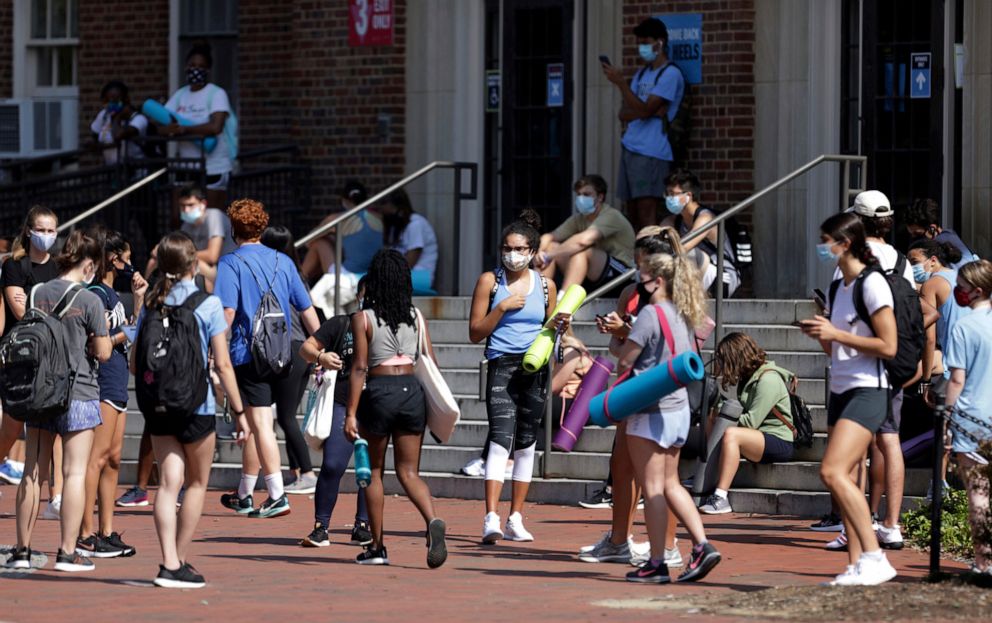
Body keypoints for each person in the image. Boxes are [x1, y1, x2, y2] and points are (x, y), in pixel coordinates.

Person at [135, 232, 245, 589]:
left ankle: (166, 559)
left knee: (168, 484)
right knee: (196, 483)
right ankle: (178, 561)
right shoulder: (208, 304)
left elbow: (137, 364)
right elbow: (224, 364)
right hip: (198, 405)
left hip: (159, 404)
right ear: (193, 265)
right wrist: (240, 412)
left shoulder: (151, 303)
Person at [614, 229, 721, 584]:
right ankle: (702, 544)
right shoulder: (683, 312)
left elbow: (625, 361)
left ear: (657, 279)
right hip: (677, 409)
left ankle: (657, 562)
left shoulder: (650, 314)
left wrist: (616, 339)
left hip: (649, 410)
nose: (638, 279)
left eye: (643, 275)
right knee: (672, 484)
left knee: (653, 488)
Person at [799, 212, 899, 585]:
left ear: (845, 243)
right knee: (847, 480)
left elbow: (889, 345)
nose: (822, 248)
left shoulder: (873, 285)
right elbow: (838, 349)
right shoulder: (840, 286)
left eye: (827, 241)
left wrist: (836, 335)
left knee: (832, 471)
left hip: (868, 390)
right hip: (841, 388)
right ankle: (857, 564)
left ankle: (875, 556)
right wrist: (823, 334)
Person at [6, 230, 112, 572]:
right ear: (90, 265)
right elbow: (103, 351)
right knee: (74, 473)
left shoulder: (37, 292)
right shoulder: (91, 300)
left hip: (40, 390)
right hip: (79, 391)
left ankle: (22, 549)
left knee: (32, 473)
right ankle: (67, 552)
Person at [577, 229, 680, 567]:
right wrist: (617, 331)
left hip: (663, 391)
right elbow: (618, 350)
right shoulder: (631, 293)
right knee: (621, 468)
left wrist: (628, 333)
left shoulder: (677, 299)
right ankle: (619, 540)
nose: (639, 272)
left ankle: (667, 546)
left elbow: (680, 346)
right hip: (631, 387)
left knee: (662, 477)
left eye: (643, 264)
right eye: (636, 264)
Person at [215, 199, 321, 519]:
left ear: (234, 230)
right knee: (257, 423)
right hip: (283, 352)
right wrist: (320, 347)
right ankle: (245, 493)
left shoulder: (230, 263)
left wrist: (214, 348)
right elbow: (306, 310)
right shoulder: (284, 262)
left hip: (248, 354)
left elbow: (228, 312)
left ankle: (276, 494)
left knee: (260, 423)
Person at [344, 249, 447, 568]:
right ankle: (431, 520)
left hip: (379, 391)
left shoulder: (362, 318)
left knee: (374, 472)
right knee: (409, 471)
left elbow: (360, 367)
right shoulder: (416, 316)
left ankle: (377, 547)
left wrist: (350, 412)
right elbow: (430, 361)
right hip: (412, 392)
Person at [469, 213, 567, 545]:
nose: (513, 254)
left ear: (532, 250)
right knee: (499, 440)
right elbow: (474, 332)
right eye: (508, 248)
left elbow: (551, 330)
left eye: (521, 248)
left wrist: (559, 329)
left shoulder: (546, 285)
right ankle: (491, 517)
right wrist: (502, 308)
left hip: (536, 368)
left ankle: (516, 517)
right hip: (501, 364)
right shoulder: (489, 282)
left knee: (527, 443)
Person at [76, 227, 148, 559]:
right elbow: (98, 340)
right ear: (113, 257)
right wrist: (126, 333)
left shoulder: (112, 293)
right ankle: (85, 532)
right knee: (97, 458)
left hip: (118, 381)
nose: (131, 264)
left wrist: (139, 301)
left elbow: (125, 328)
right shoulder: (94, 292)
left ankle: (107, 530)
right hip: (101, 380)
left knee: (115, 458)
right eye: (127, 257)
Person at [298, 277, 372, 547]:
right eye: (366, 294)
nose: (370, 301)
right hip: (341, 402)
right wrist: (321, 357)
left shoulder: (387, 328)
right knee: (332, 465)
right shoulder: (342, 324)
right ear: (358, 295)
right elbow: (306, 347)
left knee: (369, 469)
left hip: (374, 405)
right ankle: (321, 526)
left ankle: (363, 524)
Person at [1, 205, 63, 520]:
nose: (47, 236)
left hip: (51, 358)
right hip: (20, 358)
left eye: (52, 230)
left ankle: (56, 496)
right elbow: (20, 313)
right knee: (11, 428)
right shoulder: (15, 266)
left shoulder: (60, 268)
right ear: (29, 230)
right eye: (41, 229)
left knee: (53, 427)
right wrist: (47, 311)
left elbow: (62, 311)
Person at [602, 17, 685, 231]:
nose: (643, 47)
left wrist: (622, 84)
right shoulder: (641, 74)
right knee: (631, 212)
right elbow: (625, 112)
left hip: (652, 152)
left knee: (647, 212)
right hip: (630, 146)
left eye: (646, 42)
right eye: (640, 42)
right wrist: (643, 110)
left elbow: (645, 109)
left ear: (660, 42)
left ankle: (650, 260)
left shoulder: (670, 73)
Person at [698, 333, 795, 514]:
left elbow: (750, 422)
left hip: (778, 441)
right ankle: (705, 473)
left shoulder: (768, 380)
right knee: (712, 416)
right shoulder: (749, 378)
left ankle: (720, 497)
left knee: (731, 434)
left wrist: (723, 412)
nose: (722, 364)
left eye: (724, 359)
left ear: (736, 357)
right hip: (759, 437)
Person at [260, 226, 318, 494]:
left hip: (288, 348)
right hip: (303, 348)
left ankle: (307, 472)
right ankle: (297, 472)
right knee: (288, 415)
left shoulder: (274, 274)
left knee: (285, 416)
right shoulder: (297, 274)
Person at [943, 259, 992, 575]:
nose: (956, 293)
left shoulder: (964, 327)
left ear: (975, 291)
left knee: (978, 495)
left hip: (972, 419)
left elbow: (956, 379)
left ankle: (984, 561)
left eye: (959, 287)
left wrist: (947, 417)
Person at [534, 175, 636, 295]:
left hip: (622, 275)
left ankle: (563, 299)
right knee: (551, 246)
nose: (581, 198)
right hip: (592, 274)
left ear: (600, 197)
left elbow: (583, 241)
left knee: (583, 251)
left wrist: (548, 256)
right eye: (579, 194)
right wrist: (539, 254)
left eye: (586, 194)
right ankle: (541, 296)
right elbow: (550, 236)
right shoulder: (580, 218)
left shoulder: (612, 215)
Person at [161, 42, 235, 192]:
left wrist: (185, 130)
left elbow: (216, 127)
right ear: (185, 67)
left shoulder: (216, 93)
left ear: (208, 70)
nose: (196, 69)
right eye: (192, 65)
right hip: (186, 166)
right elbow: (160, 123)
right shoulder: (180, 95)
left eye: (201, 66)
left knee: (212, 214)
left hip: (213, 166)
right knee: (180, 214)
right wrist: (167, 129)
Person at [660, 169, 740, 297]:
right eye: (667, 194)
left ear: (688, 196)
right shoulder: (672, 220)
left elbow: (683, 248)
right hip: (696, 277)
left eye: (673, 194)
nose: (669, 198)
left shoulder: (705, 218)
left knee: (689, 253)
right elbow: (657, 245)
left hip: (722, 277)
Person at [302, 180, 383, 288]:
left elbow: (307, 242)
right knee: (333, 241)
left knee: (319, 243)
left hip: (349, 278)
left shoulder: (337, 219)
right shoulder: (379, 218)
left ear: (344, 200)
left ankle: (298, 283)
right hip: (374, 275)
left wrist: (329, 235)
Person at [381, 189, 438, 295]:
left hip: (420, 275)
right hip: (402, 274)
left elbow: (410, 261)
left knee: (378, 281)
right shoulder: (396, 226)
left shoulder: (415, 223)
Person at [177, 185, 236, 285]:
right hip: (207, 268)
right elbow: (179, 247)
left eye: (191, 205)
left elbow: (212, 256)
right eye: (182, 205)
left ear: (203, 204)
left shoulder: (214, 216)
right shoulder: (186, 224)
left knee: (190, 263)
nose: (186, 210)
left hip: (226, 270)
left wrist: (178, 254)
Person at [905, 198, 979, 270]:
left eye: (917, 234)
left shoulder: (943, 243)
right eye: (911, 234)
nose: (913, 237)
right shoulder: (949, 235)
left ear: (932, 228)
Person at [89, 80, 149, 165]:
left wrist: (118, 116)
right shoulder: (104, 115)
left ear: (126, 100)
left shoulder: (139, 119)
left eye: (115, 100)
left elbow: (118, 135)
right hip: (111, 170)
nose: (110, 104)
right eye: (107, 101)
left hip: (134, 172)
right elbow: (95, 135)